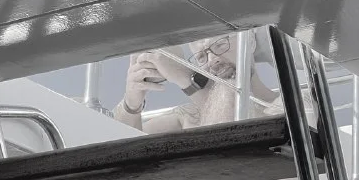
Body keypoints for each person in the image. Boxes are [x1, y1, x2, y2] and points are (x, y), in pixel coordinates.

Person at [114, 31, 280, 134]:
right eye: (201, 57)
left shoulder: (287, 104)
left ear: (250, 41)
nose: (212, 60)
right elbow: (121, 152)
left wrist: (184, 77)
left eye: (221, 45)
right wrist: (132, 103)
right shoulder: (187, 116)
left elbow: (234, 138)